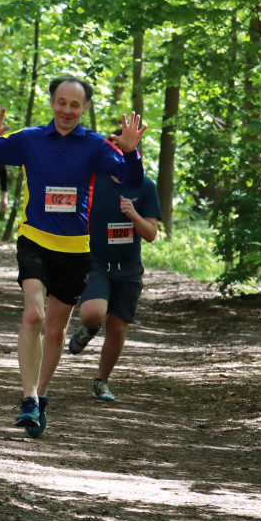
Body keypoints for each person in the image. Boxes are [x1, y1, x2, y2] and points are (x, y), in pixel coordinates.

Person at [0, 75, 146, 435]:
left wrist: (130, 151)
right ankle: (28, 397)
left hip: (75, 248)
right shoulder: (31, 139)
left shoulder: (95, 145)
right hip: (34, 239)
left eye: (75, 104)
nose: (67, 110)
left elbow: (132, 181)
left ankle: (41, 396)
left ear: (85, 109)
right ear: (52, 103)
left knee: (55, 328)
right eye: (61, 102)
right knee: (33, 314)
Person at [67, 129, 161, 402]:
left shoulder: (145, 186)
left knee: (118, 327)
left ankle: (101, 381)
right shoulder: (93, 182)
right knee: (93, 314)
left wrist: (132, 215)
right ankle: (89, 330)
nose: (119, 152)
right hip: (96, 262)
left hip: (129, 267)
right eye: (115, 146)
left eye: (126, 147)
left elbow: (151, 234)